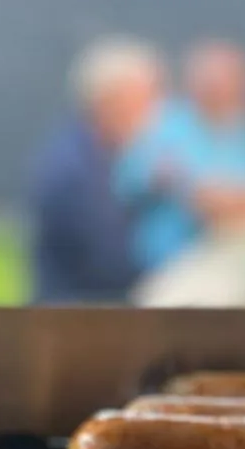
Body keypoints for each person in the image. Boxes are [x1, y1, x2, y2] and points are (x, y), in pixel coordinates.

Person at [117, 39, 245, 274]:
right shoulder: (164, 122)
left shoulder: (242, 126)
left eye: (233, 81)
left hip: (232, 255)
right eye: (214, 83)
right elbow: (130, 180)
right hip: (173, 260)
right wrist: (179, 186)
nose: (224, 91)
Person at [28, 38, 164, 303]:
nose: (155, 111)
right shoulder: (72, 169)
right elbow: (110, 264)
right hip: (79, 322)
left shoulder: (108, 155)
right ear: (111, 100)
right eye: (147, 97)